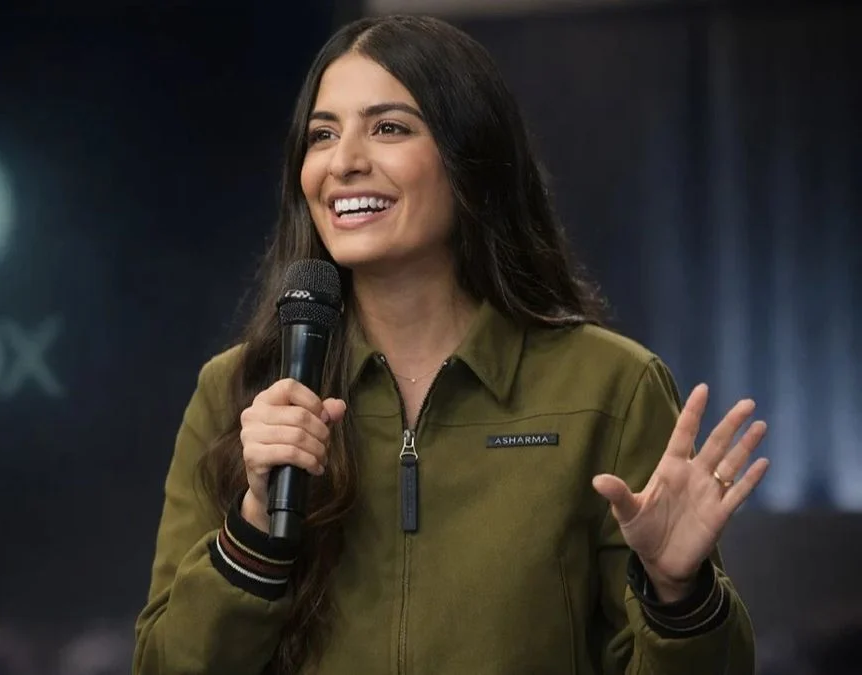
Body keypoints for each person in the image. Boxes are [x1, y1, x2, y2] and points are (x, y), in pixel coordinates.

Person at [133, 14, 770, 675]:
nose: (344, 162)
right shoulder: (240, 391)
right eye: (322, 135)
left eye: (389, 128)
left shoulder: (609, 387)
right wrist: (255, 528)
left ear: (471, 158)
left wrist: (679, 596)